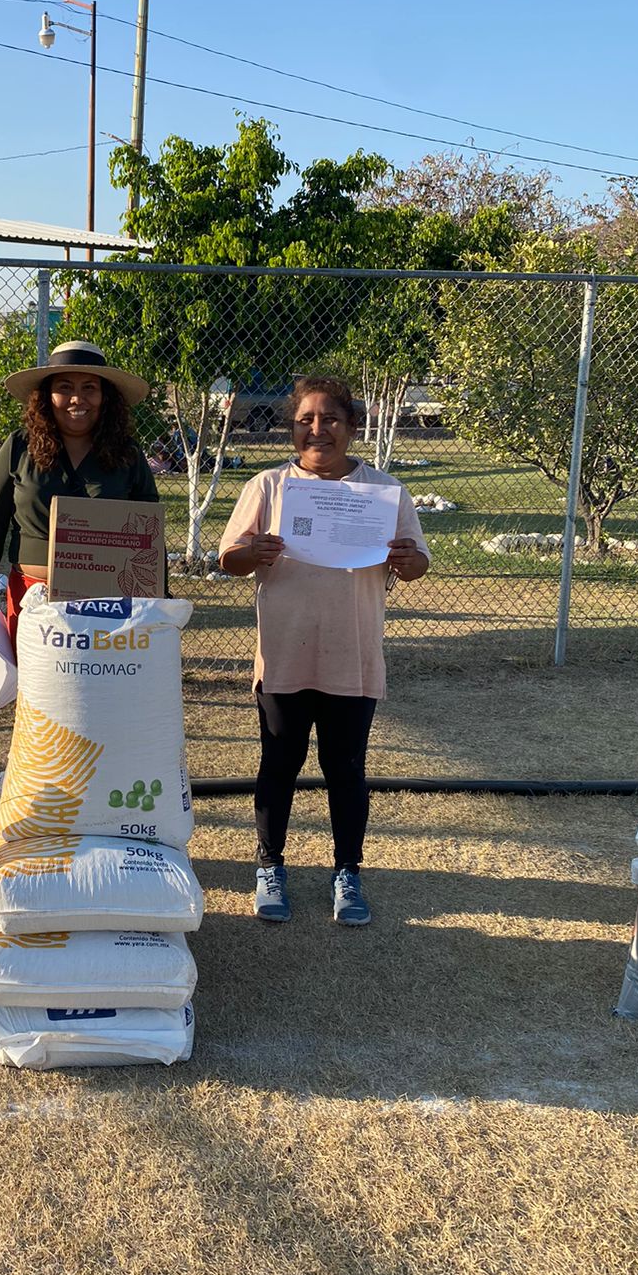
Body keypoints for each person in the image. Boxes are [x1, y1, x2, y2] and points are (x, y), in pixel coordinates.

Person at [218, 375, 429, 927]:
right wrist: (252, 550)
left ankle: (348, 873)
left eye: (330, 419)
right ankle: (270, 866)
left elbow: (416, 563)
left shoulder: (384, 494)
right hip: (285, 655)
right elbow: (229, 559)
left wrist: (408, 560)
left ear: (351, 427)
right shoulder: (268, 487)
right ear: (292, 430)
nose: (318, 429)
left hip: (351, 658)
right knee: (279, 764)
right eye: (306, 420)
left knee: (346, 769)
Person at [0, 340, 156, 652]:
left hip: (108, 606)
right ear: (47, 396)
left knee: (102, 698)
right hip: (32, 599)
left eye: (90, 387)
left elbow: (149, 536)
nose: (78, 398)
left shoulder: (127, 454)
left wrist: (158, 603)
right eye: (65, 387)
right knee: (40, 698)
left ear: (105, 397)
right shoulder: (18, 448)